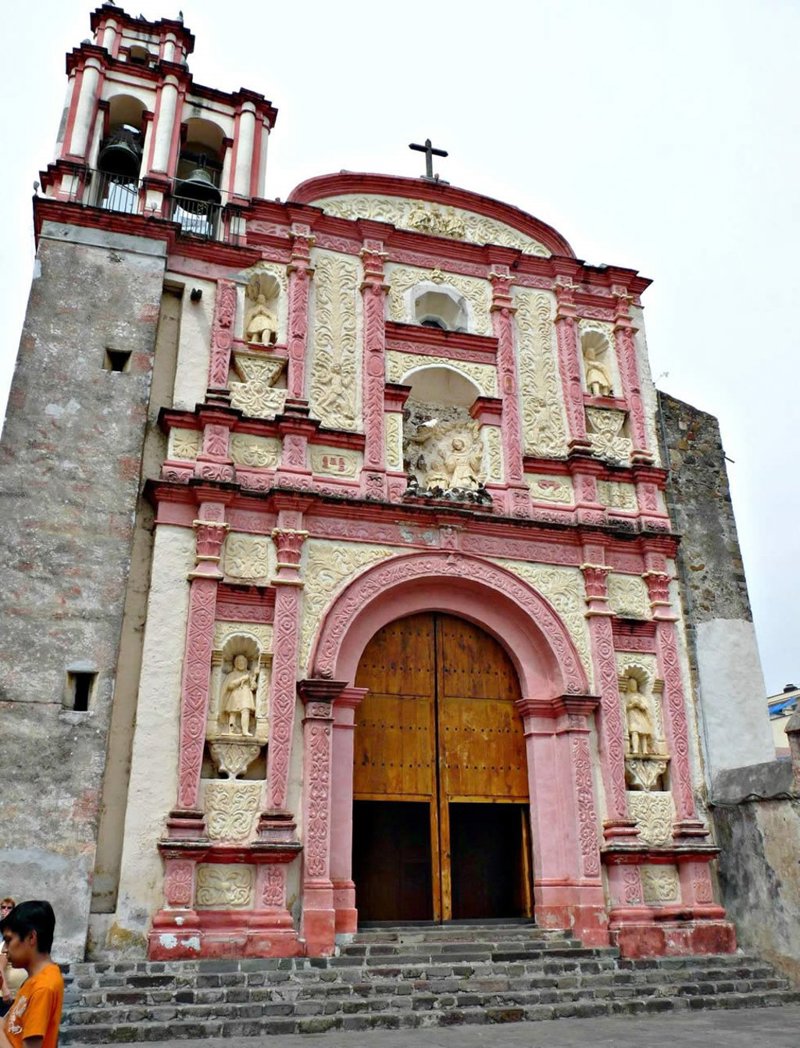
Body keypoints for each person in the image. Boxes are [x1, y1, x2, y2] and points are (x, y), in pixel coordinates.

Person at [0, 901, 63, 1048]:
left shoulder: (43, 987)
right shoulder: (33, 979)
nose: (5, 949)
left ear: (31, 938)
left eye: (9, 940)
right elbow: (10, 1028)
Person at [220, 654, 257, 736]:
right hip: (235, 695)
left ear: (246, 663)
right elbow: (230, 686)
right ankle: (231, 730)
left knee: (245, 710)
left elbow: (253, 687)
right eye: (239, 661)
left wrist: (253, 682)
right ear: (236, 664)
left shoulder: (249, 674)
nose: (241, 663)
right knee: (233, 712)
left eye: (243, 661)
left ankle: (245, 730)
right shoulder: (233, 674)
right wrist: (241, 679)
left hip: (246, 693)